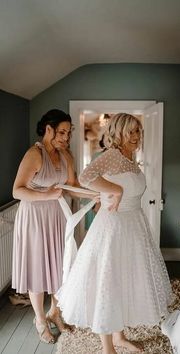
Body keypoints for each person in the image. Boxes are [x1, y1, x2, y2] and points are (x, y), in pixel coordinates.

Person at [56, 113, 174, 354]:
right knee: (108, 281)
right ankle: (108, 346)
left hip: (134, 226)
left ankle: (120, 337)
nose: (135, 136)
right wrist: (115, 190)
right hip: (113, 227)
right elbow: (86, 177)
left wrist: (116, 190)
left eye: (138, 131)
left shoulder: (131, 159)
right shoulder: (112, 155)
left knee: (123, 279)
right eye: (130, 132)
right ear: (118, 133)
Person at [12, 109, 94, 344]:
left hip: (58, 218)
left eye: (68, 134)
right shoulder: (34, 155)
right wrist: (48, 195)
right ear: (48, 129)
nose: (65, 138)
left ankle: (55, 312)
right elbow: (17, 190)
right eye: (61, 132)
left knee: (60, 268)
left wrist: (95, 196)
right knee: (38, 270)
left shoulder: (66, 155)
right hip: (35, 219)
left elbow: (70, 187)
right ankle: (39, 319)